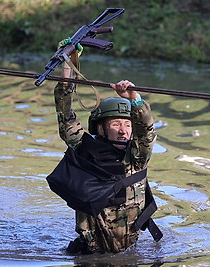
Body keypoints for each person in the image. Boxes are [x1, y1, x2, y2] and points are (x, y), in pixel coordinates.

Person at [46, 49, 162, 254]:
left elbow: (146, 133)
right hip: (90, 250)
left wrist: (135, 99)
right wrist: (67, 66)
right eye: (115, 124)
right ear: (101, 128)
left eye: (127, 125)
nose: (122, 130)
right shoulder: (84, 149)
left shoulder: (136, 157)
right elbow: (65, 117)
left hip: (128, 249)